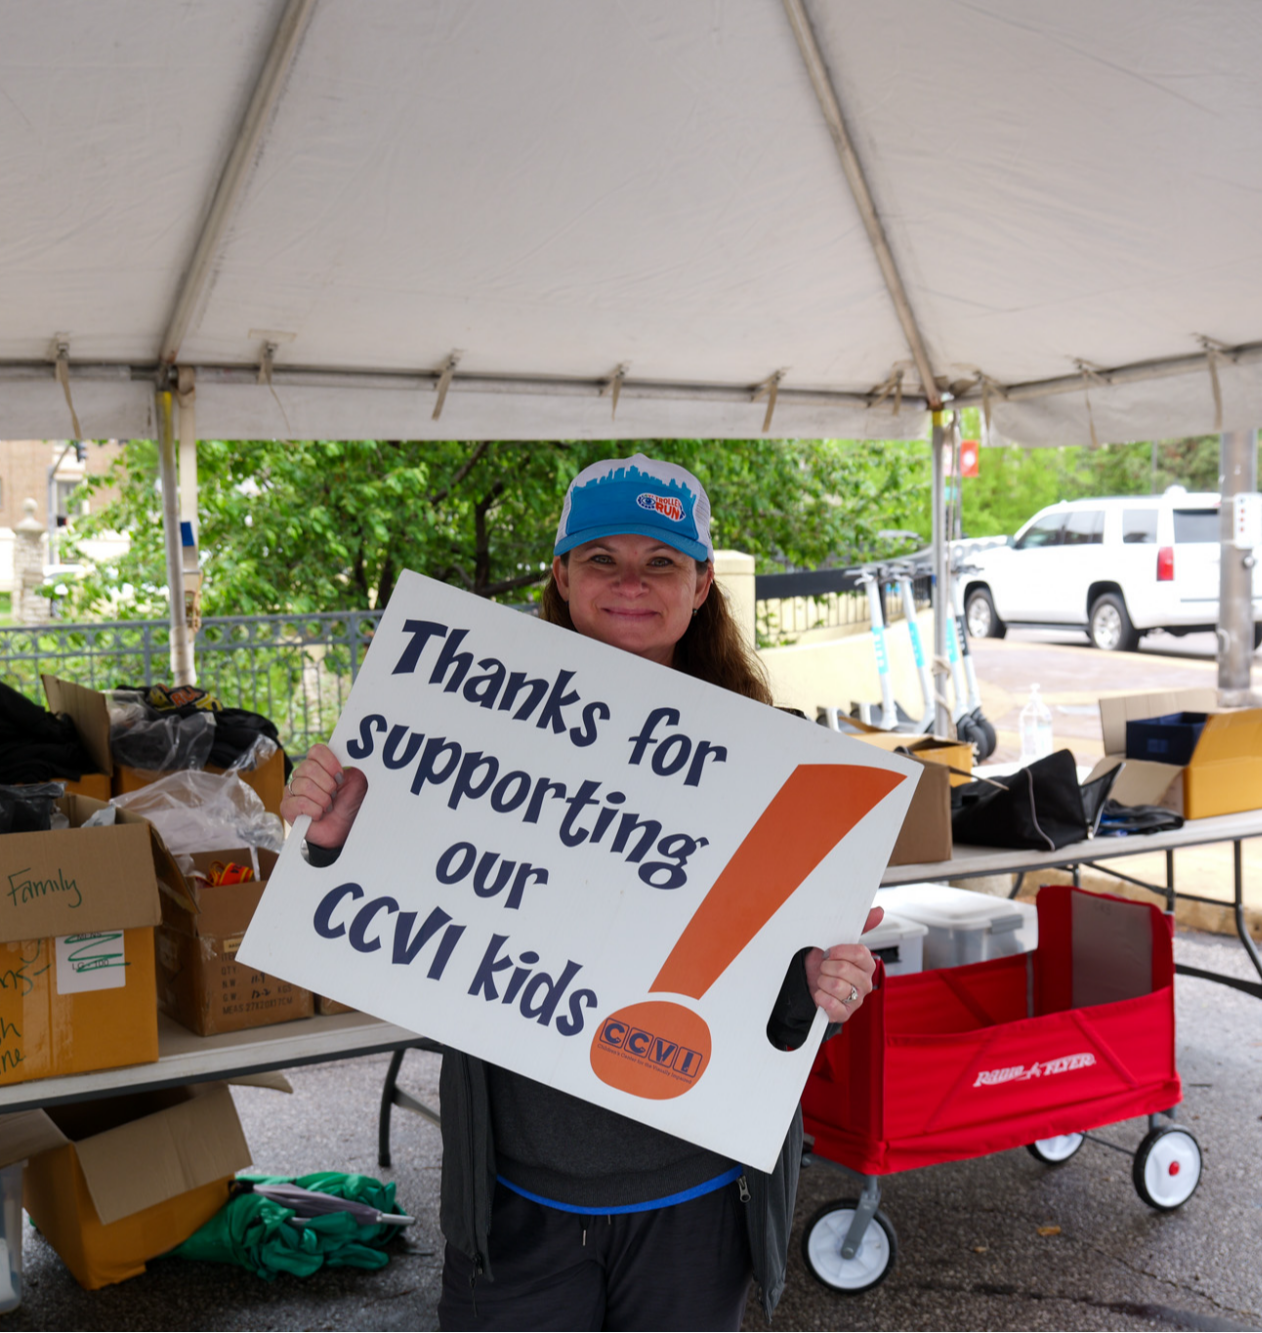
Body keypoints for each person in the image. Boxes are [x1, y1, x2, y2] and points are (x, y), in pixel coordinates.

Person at [280, 455, 883, 1331]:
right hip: (515, 1202)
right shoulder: (466, 730)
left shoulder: (778, 766)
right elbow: (389, 953)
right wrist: (330, 846)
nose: (631, 582)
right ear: (561, 576)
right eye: (603, 558)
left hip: (697, 1197)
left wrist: (827, 986)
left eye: (661, 561)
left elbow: (789, 1010)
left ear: (701, 584)